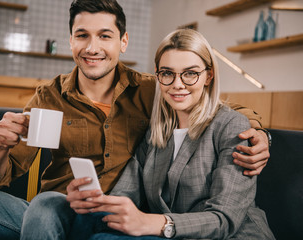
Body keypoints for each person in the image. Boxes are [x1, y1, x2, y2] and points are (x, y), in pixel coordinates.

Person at [0, 0, 269, 239]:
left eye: (105, 36)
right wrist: (0, 145)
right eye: (82, 35)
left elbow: (214, 108)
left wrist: (260, 136)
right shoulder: (49, 97)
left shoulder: (153, 89)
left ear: (122, 42)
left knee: (45, 209)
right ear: (71, 40)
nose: (92, 47)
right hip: (56, 212)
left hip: (120, 217)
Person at [65, 28, 275, 239]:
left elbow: (224, 219)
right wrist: (95, 202)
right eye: (167, 73)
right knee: (85, 222)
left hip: (232, 235)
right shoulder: (155, 133)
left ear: (208, 76)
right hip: (173, 235)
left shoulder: (231, 126)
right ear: (158, 75)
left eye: (190, 73)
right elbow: (125, 193)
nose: (177, 84)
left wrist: (156, 222)